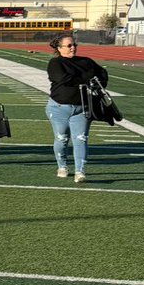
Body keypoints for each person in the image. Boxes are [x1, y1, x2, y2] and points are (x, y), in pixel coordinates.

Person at [46, 32, 108, 184]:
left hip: (82, 108)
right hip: (59, 108)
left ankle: (80, 171)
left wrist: (93, 83)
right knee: (62, 139)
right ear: (59, 48)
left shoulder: (86, 61)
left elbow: (102, 74)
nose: (73, 47)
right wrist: (87, 77)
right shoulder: (55, 63)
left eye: (74, 45)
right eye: (69, 45)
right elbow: (63, 79)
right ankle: (62, 166)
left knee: (81, 139)